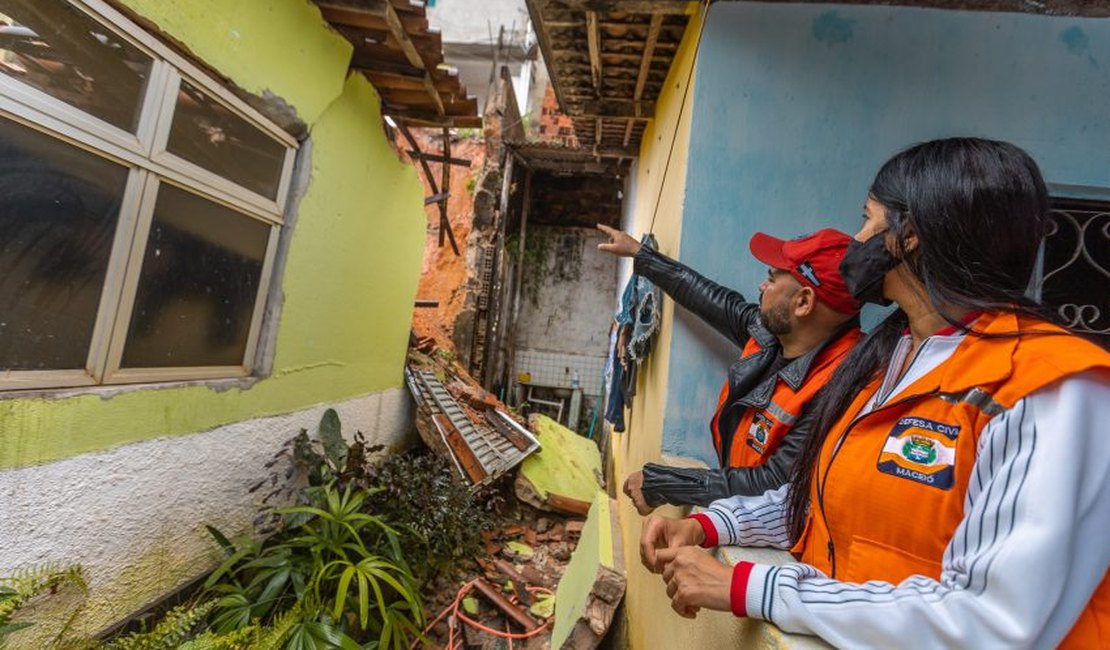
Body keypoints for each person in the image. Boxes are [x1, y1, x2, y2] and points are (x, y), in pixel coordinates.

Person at [640, 137, 1110, 648]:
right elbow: (820, 502)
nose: (857, 238)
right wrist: (714, 525)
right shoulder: (887, 362)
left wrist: (752, 586)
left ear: (912, 236)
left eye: (868, 219)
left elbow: (990, 620)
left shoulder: (1053, 390)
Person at [597, 224, 861, 514]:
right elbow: (712, 299)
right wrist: (642, 255)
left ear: (803, 302)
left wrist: (663, 484)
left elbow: (774, 484)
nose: (762, 286)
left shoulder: (841, 387)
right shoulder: (770, 335)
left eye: (771, 278)